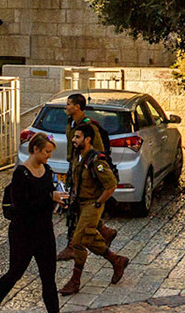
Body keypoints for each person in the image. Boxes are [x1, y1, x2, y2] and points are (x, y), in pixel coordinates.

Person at [0, 131, 65, 313]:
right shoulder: (21, 174)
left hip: (44, 232)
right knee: (15, 272)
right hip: (23, 232)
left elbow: (47, 201)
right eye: (46, 152)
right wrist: (49, 197)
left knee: (48, 278)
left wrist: (58, 201)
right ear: (35, 149)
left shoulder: (48, 172)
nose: (49, 156)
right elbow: (23, 207)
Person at [58, 112, 127, 293]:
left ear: (87, 139)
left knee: (78, 241)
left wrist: (98, 203)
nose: (74, 140)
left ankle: (75, 280)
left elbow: (111, 185)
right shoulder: (76, 157)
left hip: (91, 204)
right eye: (74, 136)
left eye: (78, 137)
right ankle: (116, 260)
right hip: (78, 204)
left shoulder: (96, 160)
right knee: (88, 238)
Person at [59, 95, 113, 256]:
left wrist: (88, 169)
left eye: (68, 104)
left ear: (77, 107)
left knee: (76, 207)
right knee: (73, 204)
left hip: (85, 170)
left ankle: (73, 245)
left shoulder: (89, 126)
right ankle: (104, 231)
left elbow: (98, 151)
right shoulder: (72, 123)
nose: (66, 107)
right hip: (74, 166)